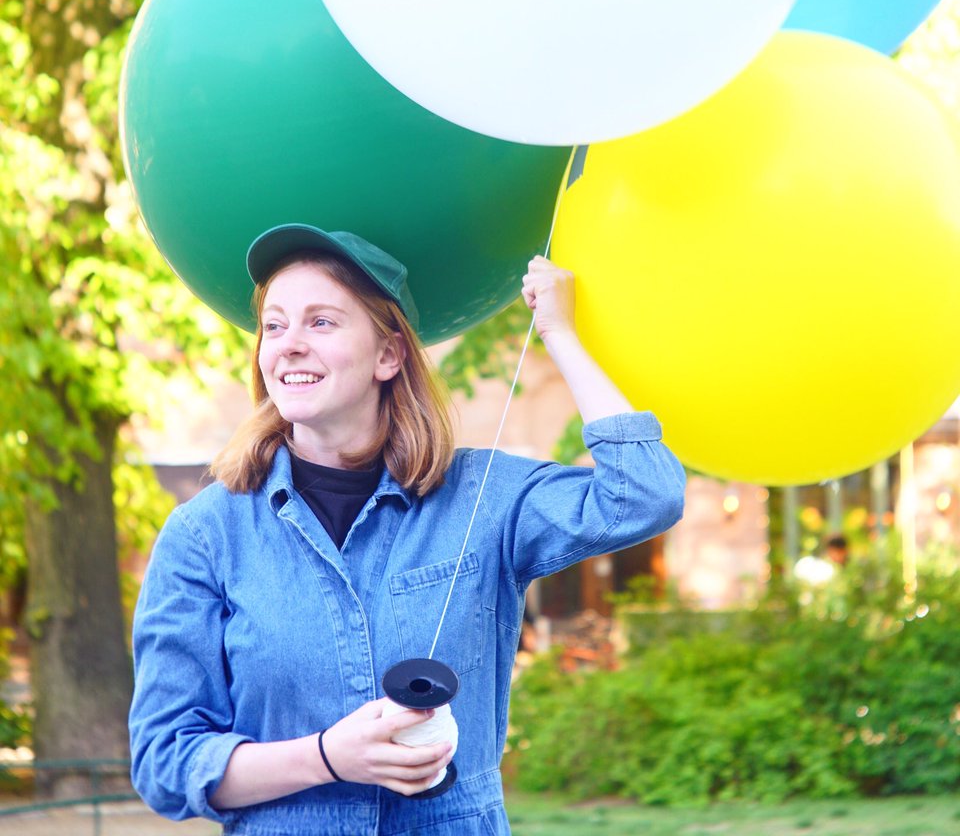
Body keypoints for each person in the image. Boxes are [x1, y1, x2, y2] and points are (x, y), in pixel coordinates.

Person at [129, 224, 686, 835]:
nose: (289, 345)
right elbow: (164, 762)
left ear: (388, 355)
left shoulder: (481, 498)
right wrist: (327, 758)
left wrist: (559, 333)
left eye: (321, 322)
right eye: (275, 325)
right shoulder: (206, 534)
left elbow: (645, 493)